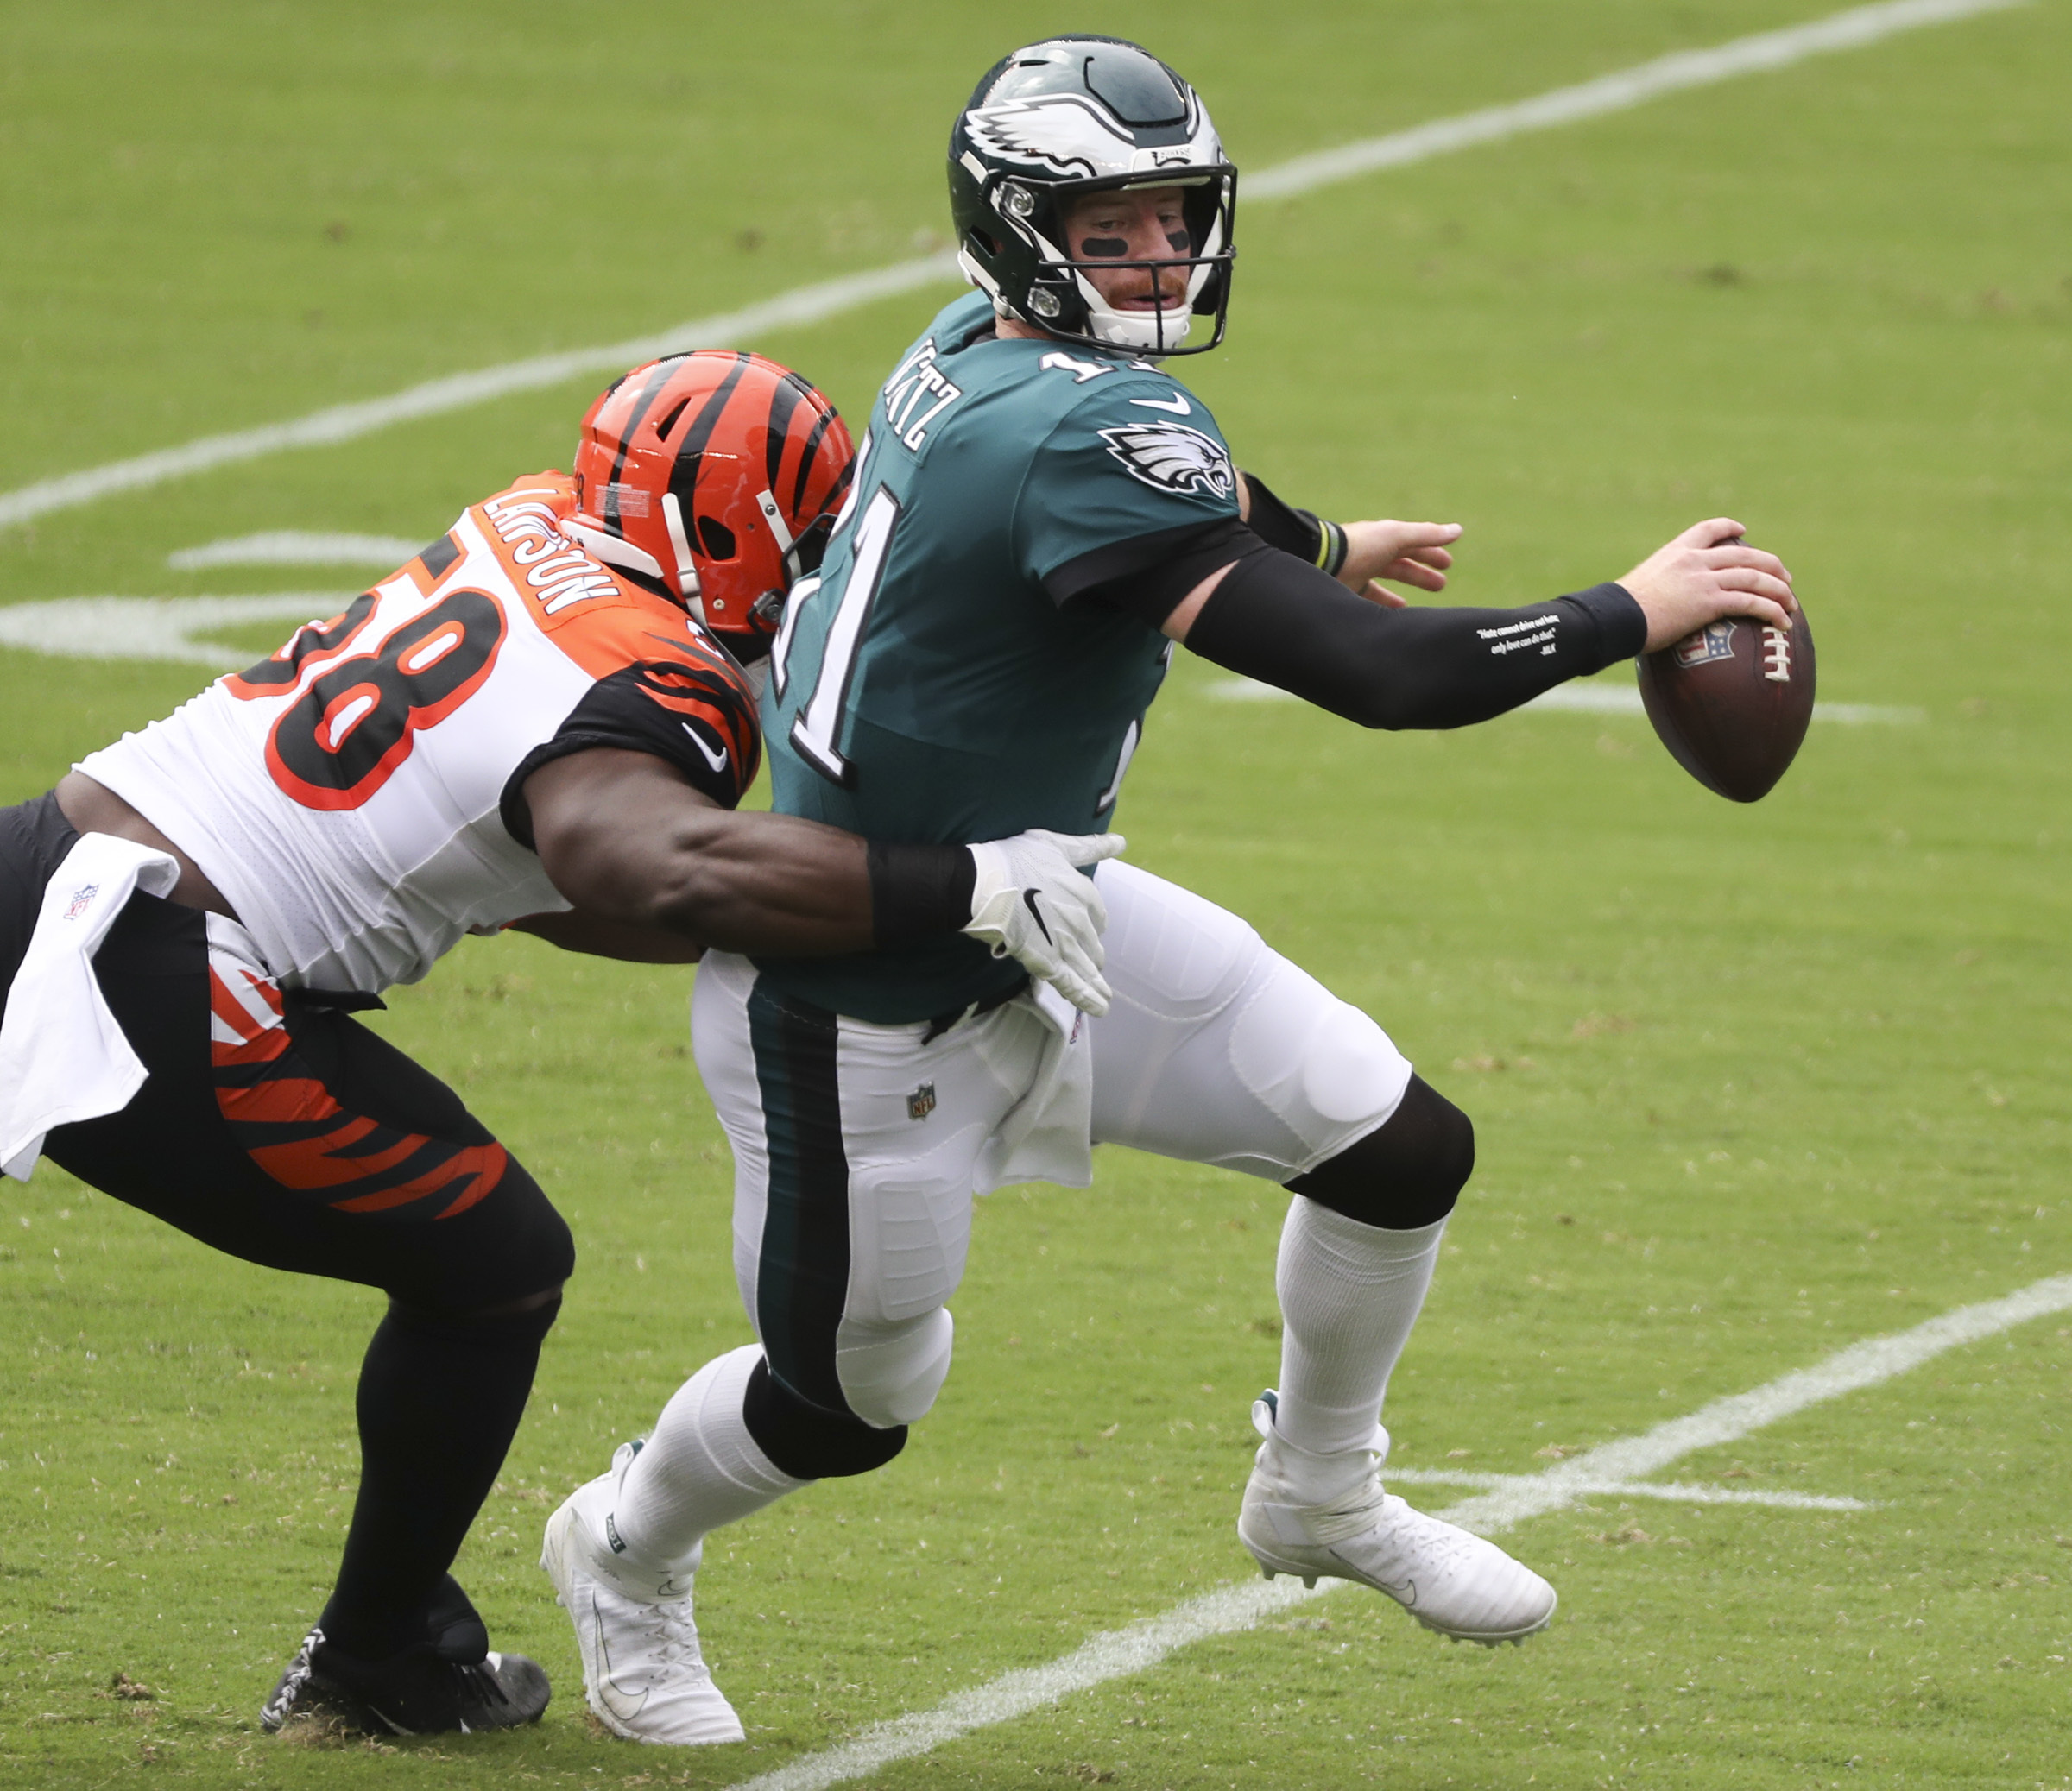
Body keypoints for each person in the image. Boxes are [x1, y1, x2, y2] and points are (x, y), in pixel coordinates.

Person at [541, 36, 1800, 1745]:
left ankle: (1321, 1495)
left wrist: (1316, 543)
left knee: (1398, 1143)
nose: (1158, 261)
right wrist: (1624, 609)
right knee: (852, 1402)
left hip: (1045, 914)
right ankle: (624, 1545)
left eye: (1173, 220)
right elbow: (1388, 682)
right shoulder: (1090, 425)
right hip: (861, 994)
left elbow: (1174, 501)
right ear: (1017, 226)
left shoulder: (976, 345)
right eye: (1111, 227)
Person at [0, 350, 1115, 1738]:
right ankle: (374, 1661)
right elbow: (645, 865)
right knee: (493, 1264)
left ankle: (384, 1646)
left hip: (52, 856)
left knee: (483, 1256)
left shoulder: (531, 518)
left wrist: (818, 923)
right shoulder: (658, 684)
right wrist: (966, 885)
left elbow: (559, 880)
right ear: (736, 537)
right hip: (157, 972)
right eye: (816, 536)